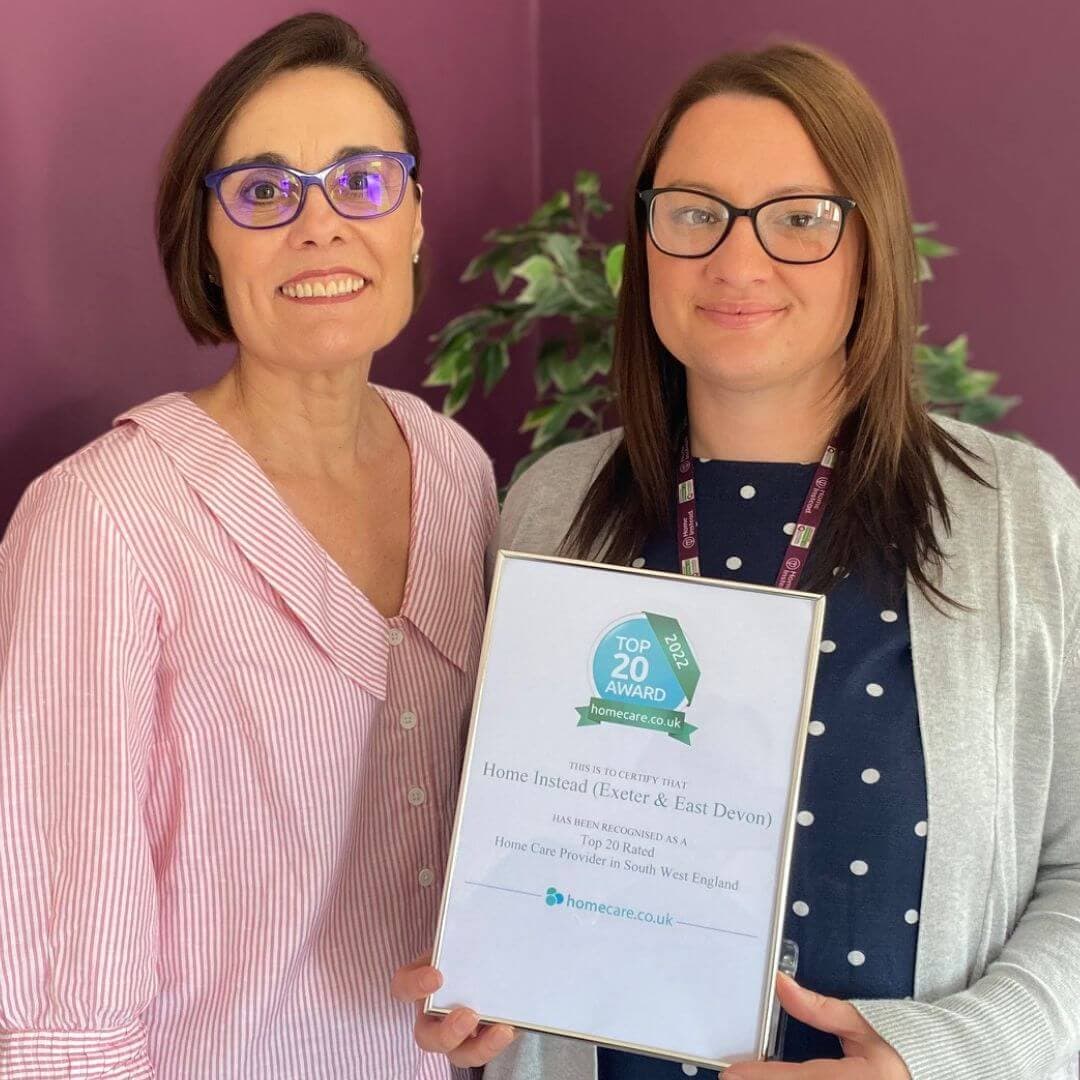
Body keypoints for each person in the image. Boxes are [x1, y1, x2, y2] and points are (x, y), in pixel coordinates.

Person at [392, 42, 1080, 1080]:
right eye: (694, 211)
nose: (737, 261)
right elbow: (515, 851)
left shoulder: (1020, 517)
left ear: (870, 246)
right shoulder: (548, 506)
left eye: (799, 217)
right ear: (647, 241)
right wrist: (488, 1000)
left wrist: (936, 1060)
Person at [0, 13, 495, 1079]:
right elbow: (59, 1001)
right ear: (208, 243)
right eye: (265, 193)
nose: (321, 226)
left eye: (364, 181)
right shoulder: (103, 522)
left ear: (414, 218)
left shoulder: (459, 472)